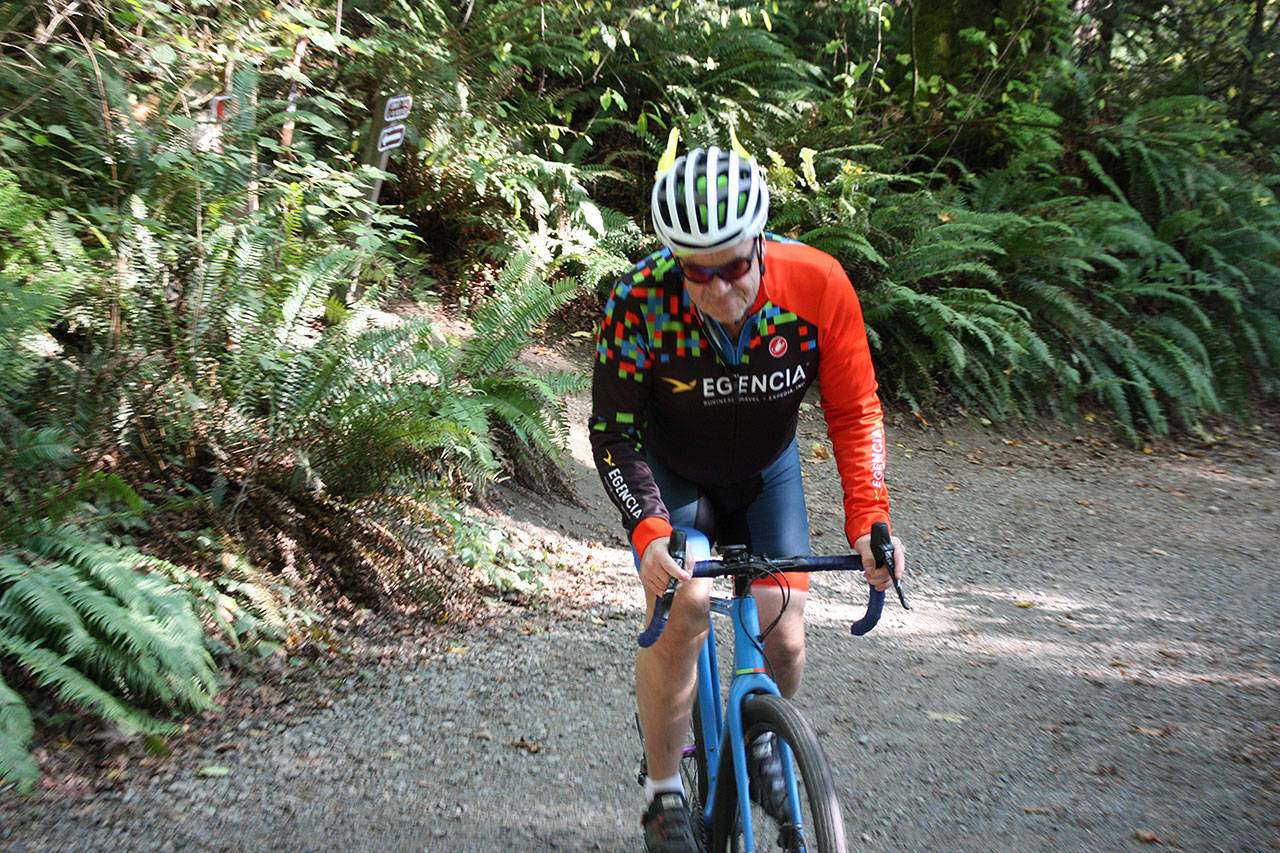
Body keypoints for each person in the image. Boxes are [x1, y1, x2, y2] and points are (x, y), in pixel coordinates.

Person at [589, 128, 906, 852]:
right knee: (686, 607)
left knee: (784, 631)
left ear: (760, 241)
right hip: (675, 482)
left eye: (732, 265)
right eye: (695, 273)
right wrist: (646, 529)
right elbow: (612, 433)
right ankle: (665, 792)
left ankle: (762, 732)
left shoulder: (818, 284)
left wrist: (869, 519)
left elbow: (855, 410)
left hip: (767, 473)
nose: (718, 288)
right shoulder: (639, 303)